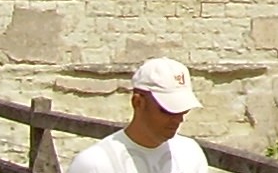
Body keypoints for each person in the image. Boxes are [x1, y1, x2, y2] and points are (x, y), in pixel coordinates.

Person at [67, 58, 206, 173]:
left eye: (183, 110)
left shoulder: (190, 154)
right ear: (138, 102)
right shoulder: (94, 164)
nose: (178, 118)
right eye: (168, 110)